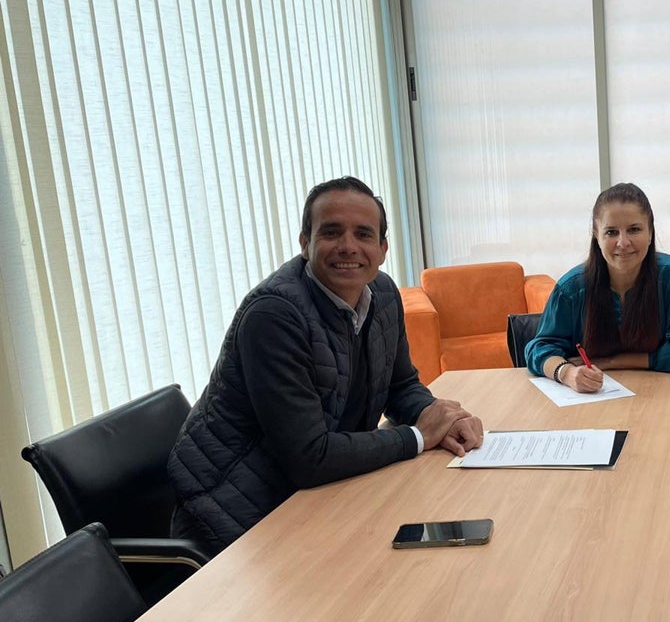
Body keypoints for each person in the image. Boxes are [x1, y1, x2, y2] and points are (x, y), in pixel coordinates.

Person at [167, 176, 483, 555]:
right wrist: (418, 437)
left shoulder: (382, 294)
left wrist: (440, 417)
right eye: (331, 232)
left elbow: (400, 386)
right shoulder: (274, 316)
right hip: (238, 518)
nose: (348, 247)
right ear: (305, 243)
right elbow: (309, 457)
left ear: (382, 249)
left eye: (363, 234)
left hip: (323, 494)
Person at [526, 182, 670, 393]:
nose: (623, 242)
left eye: (634, 229)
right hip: (591, 401)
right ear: (596, 234)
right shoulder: (571, 288)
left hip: (665, 394)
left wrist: (609, 362)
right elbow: (540, 348)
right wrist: (567, 373)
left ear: (650, 232)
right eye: (611, 232)